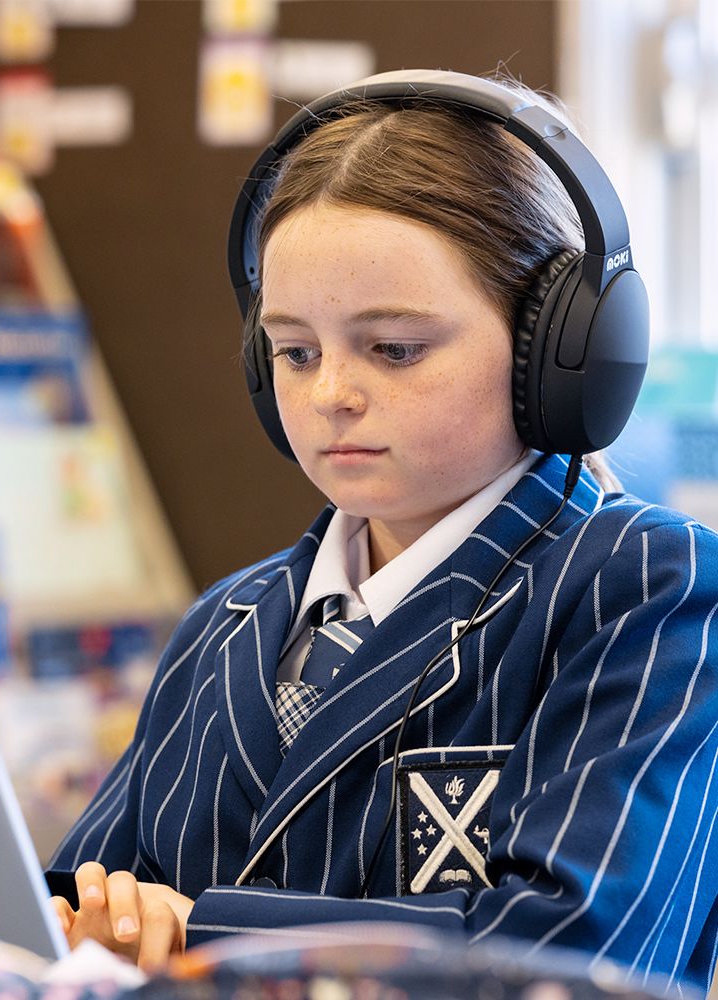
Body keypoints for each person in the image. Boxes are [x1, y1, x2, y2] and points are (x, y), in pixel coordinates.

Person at [47, 70, 718, 991]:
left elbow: (569, 952)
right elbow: (80, 895)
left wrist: (201, 931)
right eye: (295, 350)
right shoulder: (226, 624)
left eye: (395, 348)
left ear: (563, 356)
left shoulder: (647, 588)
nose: (331, 394)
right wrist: (60, 920)